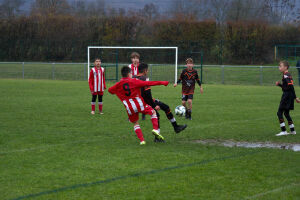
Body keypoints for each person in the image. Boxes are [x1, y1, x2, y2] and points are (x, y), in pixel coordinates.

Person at [108, 66, 169, 145]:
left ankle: (142, 141)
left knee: (135, 123)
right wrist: (163, 82)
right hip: (140, 104)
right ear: (129, 74)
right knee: (153, 112)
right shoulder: (134, 81)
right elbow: (149, 83)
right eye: (131, 73)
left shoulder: (118, 84)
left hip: (129, 107)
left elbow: (110, 90)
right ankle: (155, 129)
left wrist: (119, 92)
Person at [133, 63, 187, 142]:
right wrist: (154, 105)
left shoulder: (134, 77)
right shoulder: (145, 78)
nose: (147, 71)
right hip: (146, 101)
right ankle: (157, 137)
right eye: (147, 70)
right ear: (145, 70)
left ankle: (176, 127)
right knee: (157, 114)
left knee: (165, 107)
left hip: (138, 101)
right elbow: (147, 93)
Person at [275, 60, 300, 136]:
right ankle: (292, 131)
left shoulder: (286, 75)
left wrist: (295, 97)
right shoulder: (287, 75)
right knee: (286, 113)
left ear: (285, 67)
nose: (279, 67)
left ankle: (283, 131)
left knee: (279, 113)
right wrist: (279, 84)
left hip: (286, 96)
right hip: (289, 96)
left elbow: (290, 87)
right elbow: (288, 87)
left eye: (280, 66)